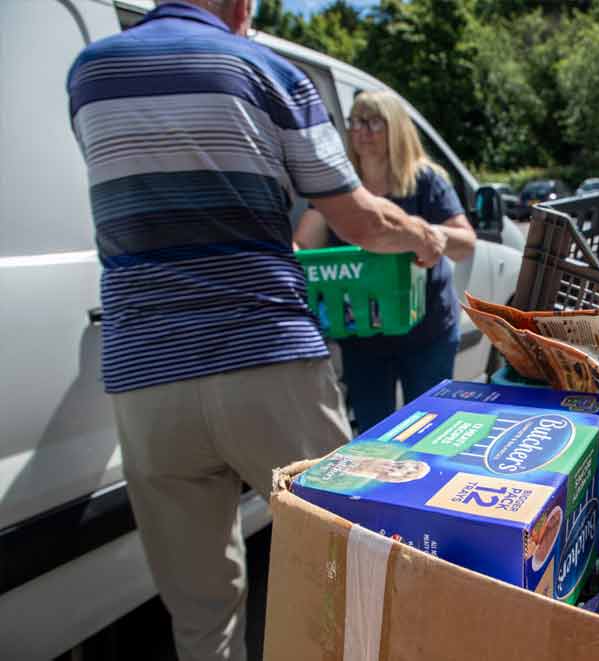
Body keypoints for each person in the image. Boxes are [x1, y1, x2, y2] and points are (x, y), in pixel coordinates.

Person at [66, 2, 444, 660]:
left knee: (201, 613)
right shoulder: (268, 72)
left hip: (146, 377)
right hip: (265, 359)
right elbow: (358, 220)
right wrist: (424, 236)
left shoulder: (89, 74)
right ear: (242, 7)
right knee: (344, 564)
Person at [295, 91, 476, 433]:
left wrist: (426, 234)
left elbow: (465, 243)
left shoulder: (426, 180)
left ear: (396, 128)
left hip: (427, 329)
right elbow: (304, 244)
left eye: (373, 121)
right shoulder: (339, 188)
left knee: (430, 429)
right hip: (361, 331)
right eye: (355, 122)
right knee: (374, 434)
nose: (362, 130)